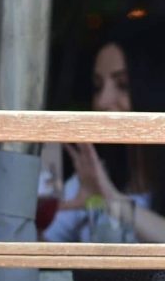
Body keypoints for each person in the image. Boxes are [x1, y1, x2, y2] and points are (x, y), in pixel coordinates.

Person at [43, 18, 165, 243]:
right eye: (98, 87)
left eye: (123, 85)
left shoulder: (100, 183)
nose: (102, 101)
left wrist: (111, 198)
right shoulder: (93, 175)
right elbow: (37, 247)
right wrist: (40, 214)